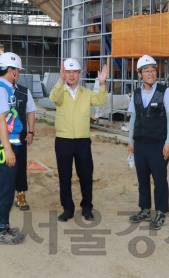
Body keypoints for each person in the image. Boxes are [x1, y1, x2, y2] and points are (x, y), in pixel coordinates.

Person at [49, 58, 108, 222]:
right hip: (63, 140)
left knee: (86, 175)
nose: (71, 75)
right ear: (64, 73)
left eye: (74, 72)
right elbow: (54, 97)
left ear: (79, 74)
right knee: (65, 175)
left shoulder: (86, 93)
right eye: (68, 72)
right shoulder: (60, 91)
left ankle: (87, 207)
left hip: (82, 141)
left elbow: (100, 100)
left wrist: (102, 83)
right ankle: (67, 208)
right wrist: (60, 80)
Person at [127, 55, 169, 230]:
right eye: (146, 70)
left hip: (158, 144)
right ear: (140, 74)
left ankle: (161, 212)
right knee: (142, 179)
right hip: (140, 143)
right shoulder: (136, 93)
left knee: (160, 179)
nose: (150, 73)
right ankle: (145, 210)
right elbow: (133, 118)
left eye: (153, 70)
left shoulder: (165, 92)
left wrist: (168, 142)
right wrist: (130, 140)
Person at [0, 52, 25, 245]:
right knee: (5, 189)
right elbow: (1, 120)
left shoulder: (4, 88)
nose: (18, 74)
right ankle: (1, 230)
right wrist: (8, 149)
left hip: (5, 143)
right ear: (11, 71)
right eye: (17, 70)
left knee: (1, 186)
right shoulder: (1, 89)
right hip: (3, 146)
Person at [12, 75, 37, 211]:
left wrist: (31, 132)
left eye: (16, 70)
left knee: (20, 165)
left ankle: (20, 195)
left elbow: (30, 111)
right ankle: (5, 194)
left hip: (20, 136)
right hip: (2, 137)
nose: (14, 74)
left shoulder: (23, 91)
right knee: (4, 167)